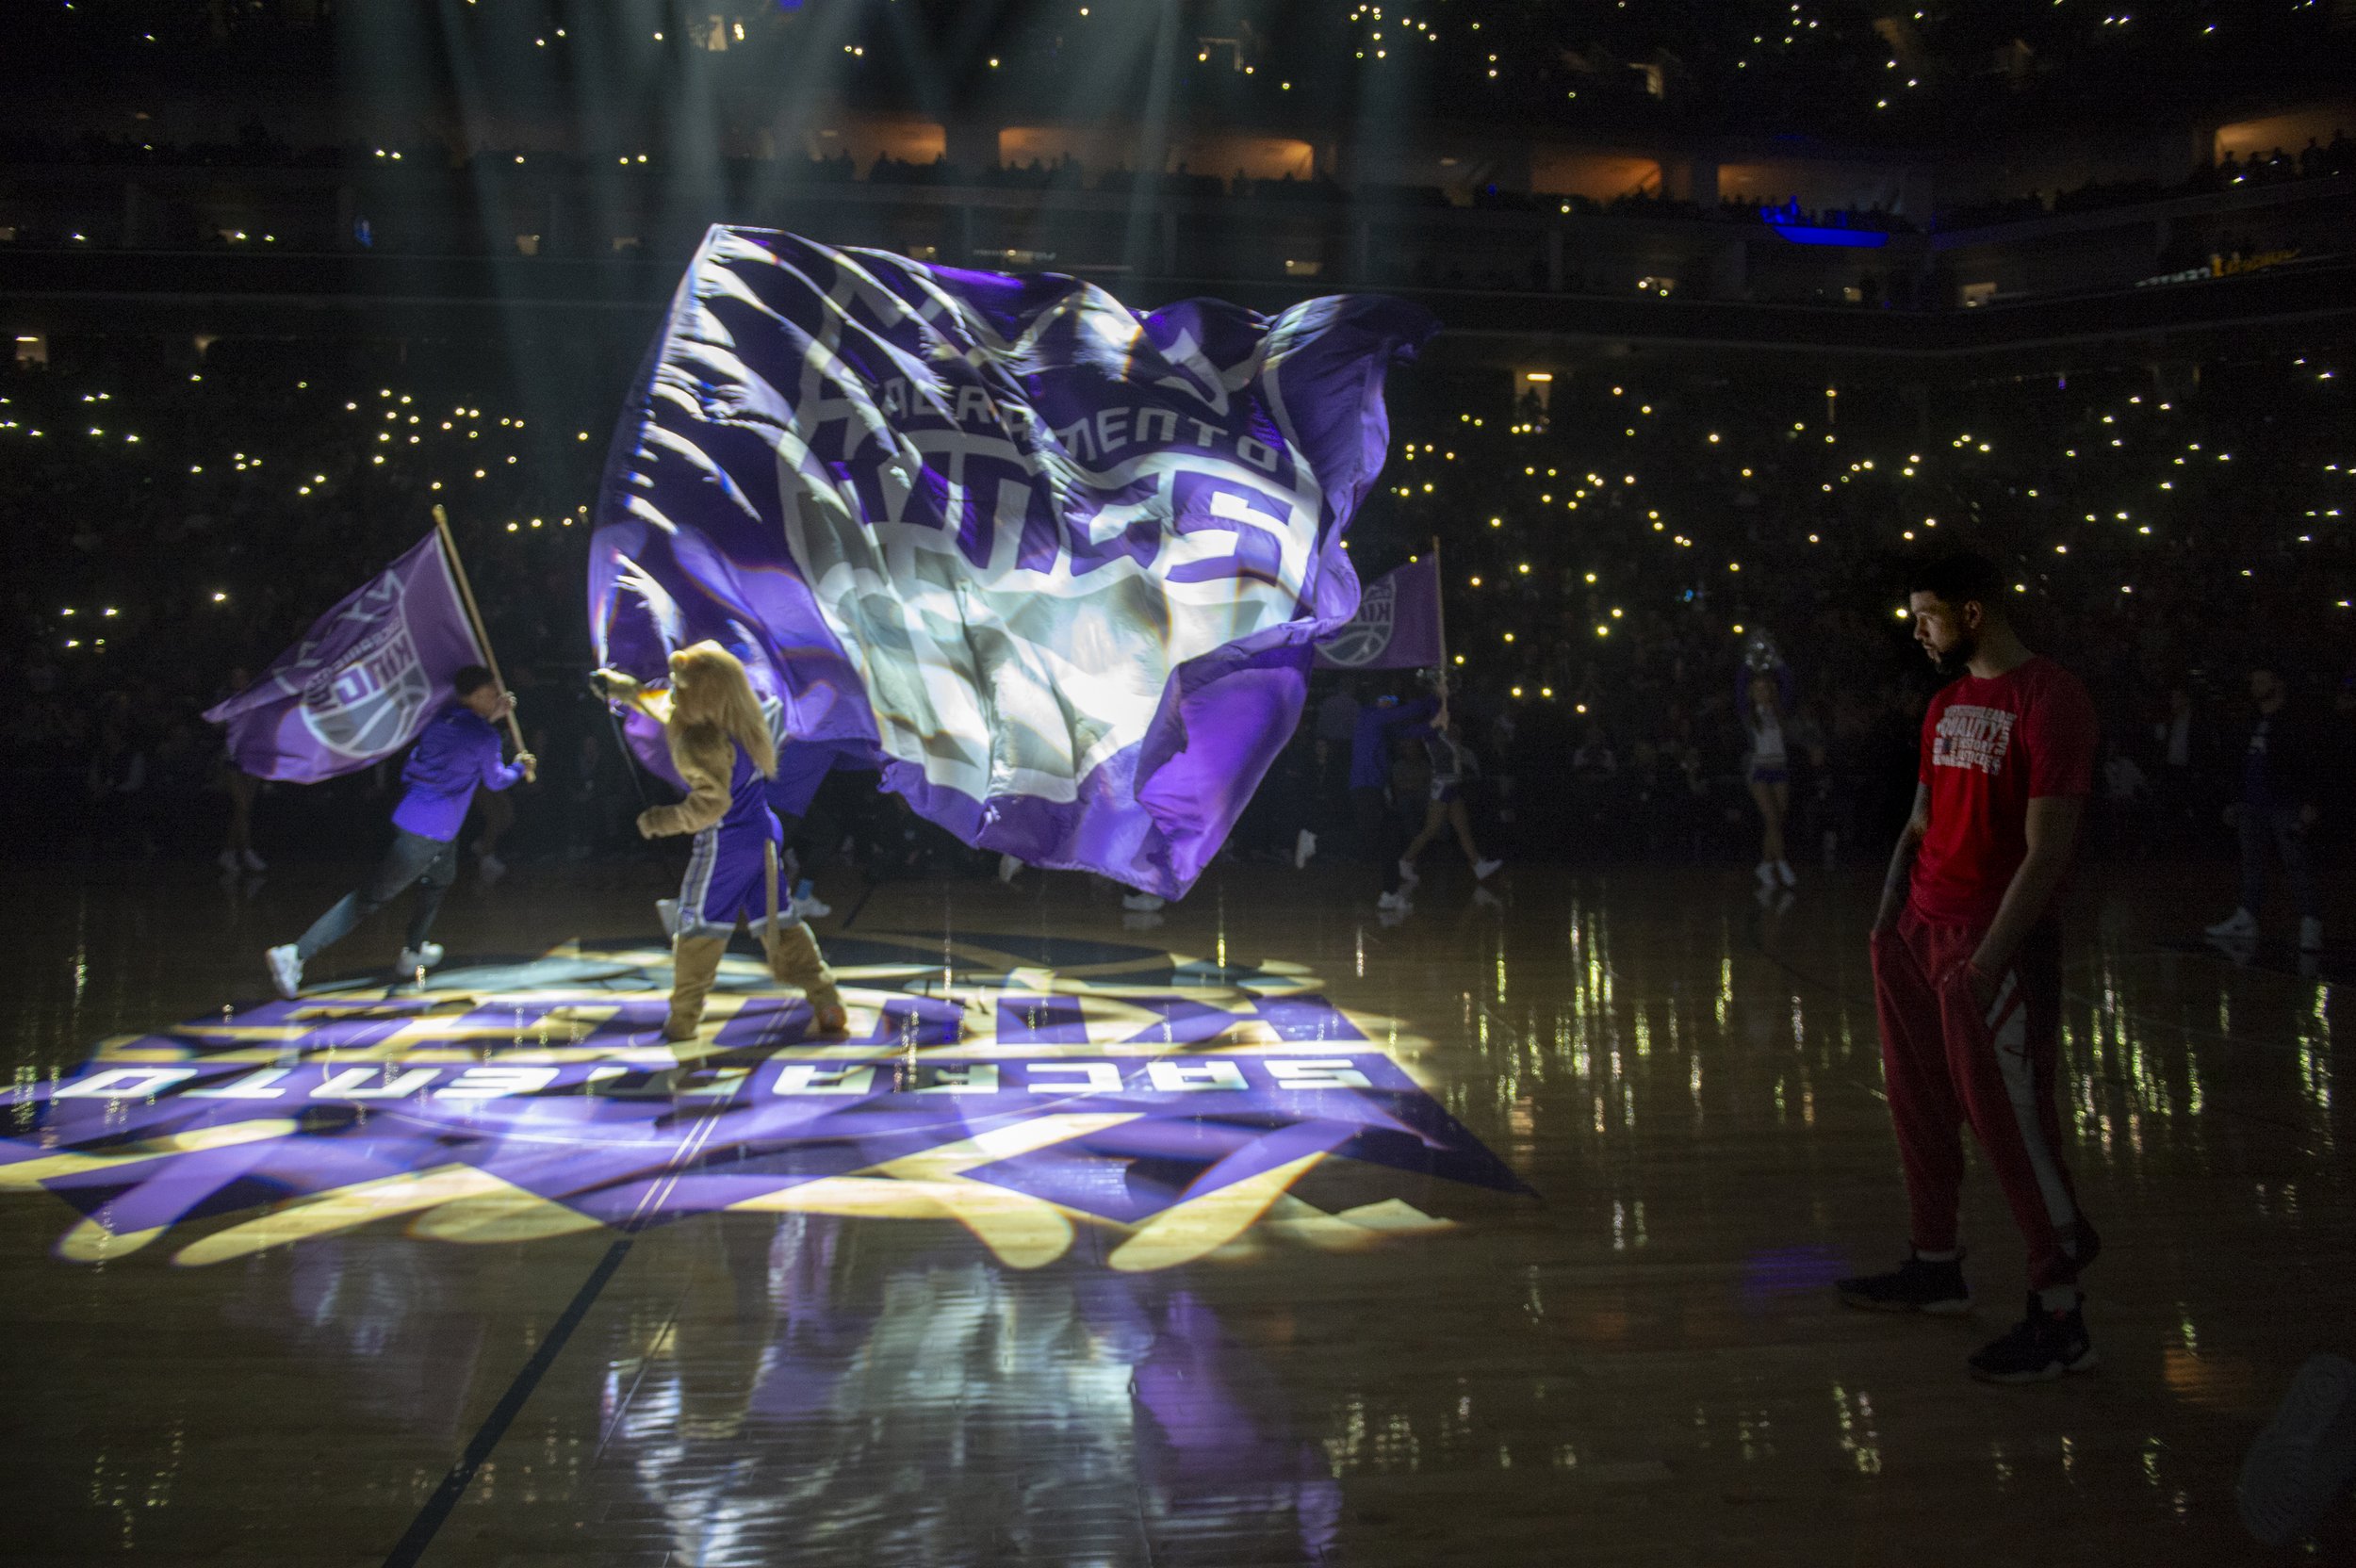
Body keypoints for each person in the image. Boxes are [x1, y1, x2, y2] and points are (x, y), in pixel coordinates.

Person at [1839, 552, 2103, 1383]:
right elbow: (1920, 822)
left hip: (1992, 946)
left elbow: (2049, 848)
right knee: (1917, 1106)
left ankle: (2060, 1314)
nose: (1917, 630)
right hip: (1918, 933)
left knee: (2014, 1123)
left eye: (1927, 615)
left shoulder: (2050, 697)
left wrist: (1989, 960)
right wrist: (1888, 925)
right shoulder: (1947, 702)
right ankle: (1936, 1264)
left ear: (1974, 612)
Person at [597, 643, 845, 1043]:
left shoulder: (702, 741)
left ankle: (682, 1019)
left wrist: (660, 820)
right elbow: (667, 705)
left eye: (682, 682)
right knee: (780, 925)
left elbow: (710, 806)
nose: (675, 688)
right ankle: (825, 998)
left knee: (698, 930)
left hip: (724, 844)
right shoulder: (741, 719)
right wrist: (623, 689)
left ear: (704, 692)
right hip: (763, 835)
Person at [265, 665, 534, 998]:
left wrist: (493, 715)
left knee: (439, 880)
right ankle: (294, 953)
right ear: (478, 696)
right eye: (493, 692)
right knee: (370, 898)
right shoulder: (484, 737)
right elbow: (495, 780)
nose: (499, 696)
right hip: (431, 830)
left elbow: (466, 741)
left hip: (416, 817)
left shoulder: (443, 718)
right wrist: (522, 765)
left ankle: (413, 950)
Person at [2204, 662, 2324, 952]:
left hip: (2284, 804)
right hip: (2251, 803)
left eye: (2260, 681)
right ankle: (2247, 917)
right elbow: (2241, 763)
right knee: (2252, 864)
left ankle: (2310, 921)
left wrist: (2310, 801)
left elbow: (2311, 763)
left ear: (2277, 684)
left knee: (2295, 862)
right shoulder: (2251, 721)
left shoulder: (2294, 722)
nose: (2254, 687)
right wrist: (2236, 799)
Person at [1397, 697, 1502, 888]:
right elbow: (1408, 732)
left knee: (1463, 828)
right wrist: (1433, 722)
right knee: (1431, 829)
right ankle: (1405, 860)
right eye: (1442, 712)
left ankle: (1478, 865)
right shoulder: (1431, 732)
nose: (1447, 715)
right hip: (1443, 785)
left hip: (1453, 784)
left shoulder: (1447, 731)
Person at [1349, 686, 1436, 912]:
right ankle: (1316, 841)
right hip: (1366, 788)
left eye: (1393, 699)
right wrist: (1435, 695)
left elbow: (1409, 731)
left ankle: (1390, 894)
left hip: (1374, 788)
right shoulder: (1371, 717)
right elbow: (1409, 712)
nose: (1391, 702)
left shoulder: (1381, 726)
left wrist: (1435, 724)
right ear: (1376, 700)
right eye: (1386, 698)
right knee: (1370, 841)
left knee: (1388, 841)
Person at [1741, 665, 1798, 891]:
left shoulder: (1780, 710)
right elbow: (1740, 683)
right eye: (1757, 688)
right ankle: (1781, 863)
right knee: (1772, 819)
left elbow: (1788, 682)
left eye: (1765, 688)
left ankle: (1766, 865)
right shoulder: (1749, 713)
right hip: (1759, 770)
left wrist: (1776, 661)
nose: (1762, 692)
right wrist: (1749, 661)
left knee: (1776, 821)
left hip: (1779, 767)